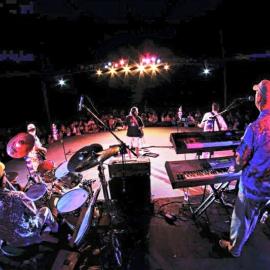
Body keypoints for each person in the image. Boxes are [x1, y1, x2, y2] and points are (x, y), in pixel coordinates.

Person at [219, 79, 270, 257]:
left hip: (254, 185)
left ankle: (235, 248)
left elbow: (240, 161)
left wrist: (230, 167)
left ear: (259, 98)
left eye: (257, 93)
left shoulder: (256, 127)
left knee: (242, 217)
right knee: (255, 215)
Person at [0, 162, 58, 247]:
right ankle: (55, 229)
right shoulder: (17, 195)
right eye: (4, 174)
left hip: (9, 240)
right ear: (3, 179)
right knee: (45, 210)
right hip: (26, 235)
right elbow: (34, 213)